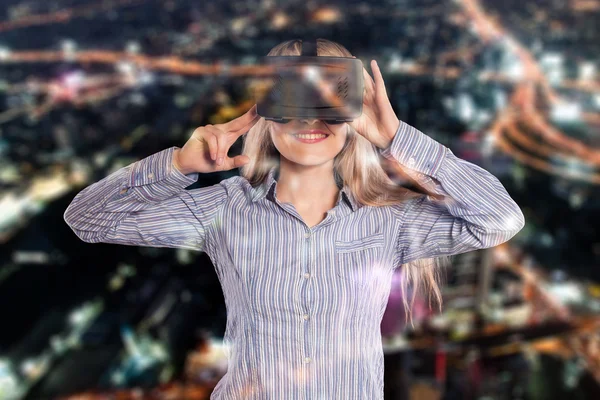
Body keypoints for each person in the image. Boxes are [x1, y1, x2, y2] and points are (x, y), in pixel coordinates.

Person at [64, 39, 525, 399]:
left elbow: (499, 219)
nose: (311, 117)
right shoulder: (224, 209)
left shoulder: (390, 220)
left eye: (329, 96)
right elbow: (88, 219)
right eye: (290, 95)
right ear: (265, 110)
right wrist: (177, 167)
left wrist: (398, 139)